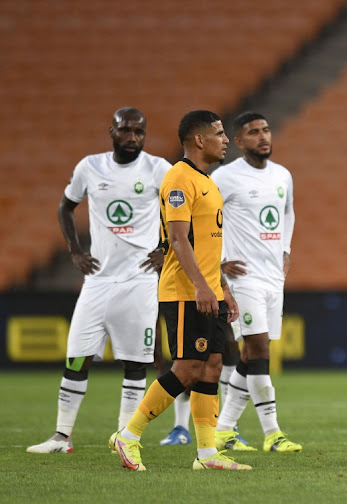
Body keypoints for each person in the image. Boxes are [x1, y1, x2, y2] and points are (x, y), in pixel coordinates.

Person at [110, 110, 250, 471]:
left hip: (208, 290)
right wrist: (203, 287)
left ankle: (207, 455)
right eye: (219, 134)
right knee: (188, 367)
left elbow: (206, 245)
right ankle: (129, 435)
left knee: (213, 366)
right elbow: (177, 239)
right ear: (199, 140)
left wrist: (223, 289)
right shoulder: (178, 178)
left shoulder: (207, 180)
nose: (226, 140)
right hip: (185, 292)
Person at [27, 108, 170, 454]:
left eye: (139, 132)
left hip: (140, 281)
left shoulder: (158, 169)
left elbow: (184, 210)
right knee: (77, 357)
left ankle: (124, 437)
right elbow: (65, 206)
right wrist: (75, 251)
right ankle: (62, 437)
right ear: (112, 131)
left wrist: (165, 247)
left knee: (136, 363)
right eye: (126, 131)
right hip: (98, 281)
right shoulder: (90, 167)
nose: (133, 138)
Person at [209, 111, 301, 453]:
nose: (263, 137)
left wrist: (286, 248)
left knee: (253, 352)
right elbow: (201, 220)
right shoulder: (225, 178)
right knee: (259, 348)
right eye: (253, 132)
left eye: (266, 130)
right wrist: (218, 262)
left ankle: (224, 430)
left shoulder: (283, 175)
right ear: (238, 141)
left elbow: (288, 211)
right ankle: (273, 433)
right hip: (242, 277)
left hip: (273, 277)